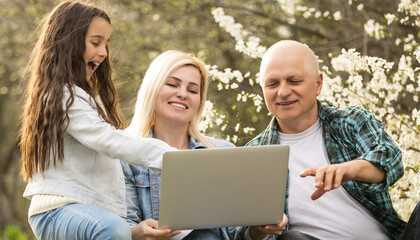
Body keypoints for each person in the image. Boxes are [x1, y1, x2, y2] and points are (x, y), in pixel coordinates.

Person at [19, 1, 175, 239]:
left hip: (85, 212)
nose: (103, 52)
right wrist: (174, 158)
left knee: (116, 229)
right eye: (95, 42)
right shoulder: (61, 96)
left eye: (105, 44)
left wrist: (130, 231)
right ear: (67, 41)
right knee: (111, 228)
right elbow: (110, 140)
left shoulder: (84, 99)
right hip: (57, 211)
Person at [244, 40, 419, 239]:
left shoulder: (351, 122)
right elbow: (242, 233)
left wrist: (349, 169)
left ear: (318, 84)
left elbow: (391, 160)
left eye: (294, 81)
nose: (283, 92)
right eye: (272, 84)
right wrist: (257, 230)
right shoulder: (254, 154)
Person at [121, 50, 289, 240]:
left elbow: (238, 235)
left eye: (192, 90)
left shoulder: (224, 153)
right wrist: (135, 234)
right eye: (172, 84)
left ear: (199, 102)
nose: (182, 94)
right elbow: (122, 227)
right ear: (153, 88)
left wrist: (260, 228)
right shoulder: (126, 155)